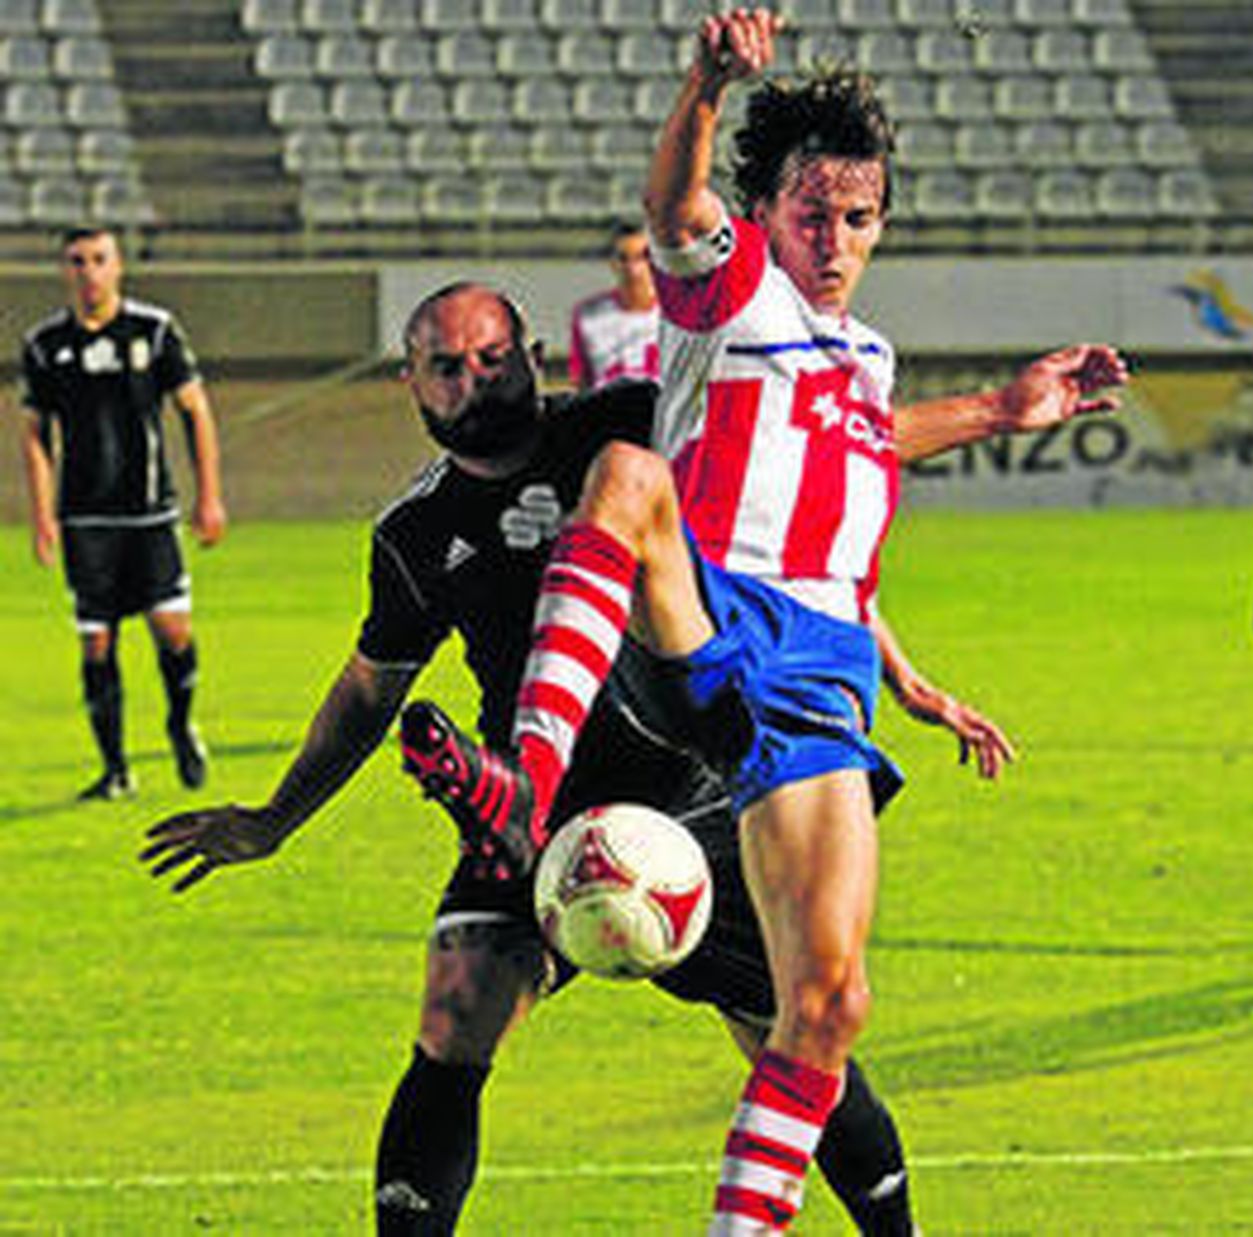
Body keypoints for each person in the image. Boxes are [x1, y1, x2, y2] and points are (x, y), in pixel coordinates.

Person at [398, 12, 1128, 1231]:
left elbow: (854, 459)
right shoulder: (731, 289)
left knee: (827, 1008)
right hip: (702, 614)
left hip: (817, 675)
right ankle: (525, 779)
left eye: (858, 219)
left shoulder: (868, 360)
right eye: (811, 213)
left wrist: (1002, 412)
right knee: (629, 475)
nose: (833, 242)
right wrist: (706, 87)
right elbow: (672, 205)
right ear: (768, 211)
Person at [142, 282, 1011, 1235]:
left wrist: (905, 675)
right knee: (457, 1012)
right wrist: (273, 819)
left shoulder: (635, 425)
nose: (473, 381)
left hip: (700, 786)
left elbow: (803, 495)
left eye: (492, 358)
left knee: (796, 1032)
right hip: (543, 805)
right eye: (446, 367)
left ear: (535, 358)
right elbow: (366, 693)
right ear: (411, 384)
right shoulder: (414, 535)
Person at [19, 225, 226, 800]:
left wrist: (209, 495)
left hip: (149, 515)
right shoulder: (44, 345)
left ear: (118, 267)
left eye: (98, 259)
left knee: (173, 632)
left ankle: (180, 724)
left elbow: (196, 411)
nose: (88, 271)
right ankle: (115, 770)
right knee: (96, 643)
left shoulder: (154, 332)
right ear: (65, 271)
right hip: (85, 521)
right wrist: (42, 515)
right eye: (77, 261)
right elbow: (34, 434)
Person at [567, 221, 661, 392]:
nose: (634, 269)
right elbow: (581, 384)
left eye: (642, 257)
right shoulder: (588, 315)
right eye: (623, 258)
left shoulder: (680, 314)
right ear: (612, 262)